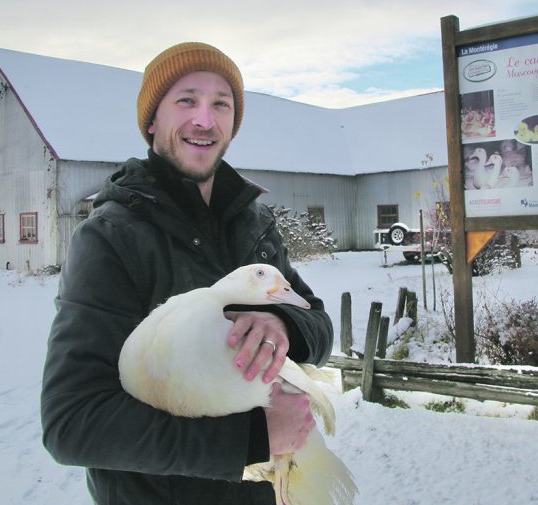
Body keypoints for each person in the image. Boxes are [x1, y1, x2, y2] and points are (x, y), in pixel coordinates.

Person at [41, 42, 334, 504]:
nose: (204, 119)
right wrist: (251, 440)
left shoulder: (252, 224)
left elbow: (318, 324)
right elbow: (73, 423)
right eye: (186, 100)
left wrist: (282, 324)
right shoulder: (112, 238)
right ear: (152, 121)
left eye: (221, 104)